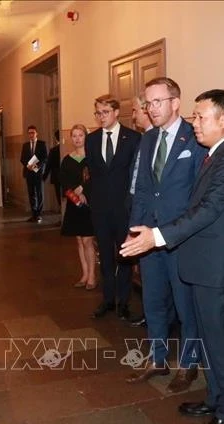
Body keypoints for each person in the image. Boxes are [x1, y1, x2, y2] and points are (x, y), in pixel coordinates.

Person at [121, 89, 224, 424]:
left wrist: (159, 236)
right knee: (212, 341)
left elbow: (206, 211)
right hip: (205, 265)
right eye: (194, 116)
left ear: (223, 120)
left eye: (201, 117)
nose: (195, 123)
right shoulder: (215, 154)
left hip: (220, 270)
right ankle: (215, 400)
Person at [127, 77, 201, 394]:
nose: (151, 109)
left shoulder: (194, 139)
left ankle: (188, 364)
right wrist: (134, 234)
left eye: (158, 102)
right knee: (153, 301)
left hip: (179, 238)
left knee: (186, 306)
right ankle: (157, 358)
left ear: (175, 102)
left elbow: (200, 194)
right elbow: (142, 191)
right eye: (148, 103)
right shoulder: (147, 140)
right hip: (148, 236)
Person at [85, 94, 141, 320]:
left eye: (105, 112)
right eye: (98, 113)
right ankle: (107, 299)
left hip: (123, 208)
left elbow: (135, 176)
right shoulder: (92, 139)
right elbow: (92, 174)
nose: (101, 117)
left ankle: (124, 302)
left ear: (117, 112)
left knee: (124, 256)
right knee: (105, 256)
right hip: (100, 208)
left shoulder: (133, 138)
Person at [128, 92, 155, 329]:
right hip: (140, 213)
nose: (133, 115)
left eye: (136, 110)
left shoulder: (154, 139)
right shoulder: (143, 139)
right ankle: (152, 314)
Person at [60, 124, 96, 290]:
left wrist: (84, 191)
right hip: (75, 204)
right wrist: (75, 196)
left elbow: (96, 178)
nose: (77, 139)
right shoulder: (67, 160)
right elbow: (65, 183)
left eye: (80, 135)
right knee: (79, 241)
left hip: (89, 203)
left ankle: (92, 276)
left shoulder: (92, 157)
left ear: (85, 136)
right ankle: (84, 274)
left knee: (88, 240)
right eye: (74, 135)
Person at [20, 125, 47, 223]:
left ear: (36, 133)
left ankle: (39, 214)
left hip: (38, 172)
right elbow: (22, 158)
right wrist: (28, 165)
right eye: (29, 133)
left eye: (33, 132)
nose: (31, 134)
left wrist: (35, 167)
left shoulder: (41, 144)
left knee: (39, 193)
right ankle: (33, 214)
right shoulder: (25, 145)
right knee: (31, 193)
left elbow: (44, 158)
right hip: (28, 172)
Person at [43, 129, 61, 207]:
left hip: (56, 176)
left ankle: (61, 212)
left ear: (56, 138)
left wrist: (44, 176)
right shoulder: (69, 148)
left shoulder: (53, 150)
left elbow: (48, 165)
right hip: (67, 176)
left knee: (59, 195)